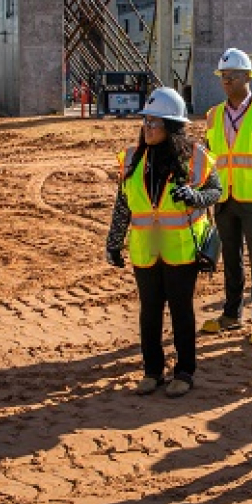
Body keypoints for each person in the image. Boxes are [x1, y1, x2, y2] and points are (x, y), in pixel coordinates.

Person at [106, 87, 222, 397]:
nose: (148, 128)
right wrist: (114, 241)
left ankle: (184, 371)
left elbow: (216, 191)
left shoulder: (195, 157)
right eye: (145, 122)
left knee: (182, 311)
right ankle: (152, 371)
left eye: (155, 123)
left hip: (181, 249)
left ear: (172, 126)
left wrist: (195, 197)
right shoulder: (133, 158)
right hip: (145, 249)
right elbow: (123, 203)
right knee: (150, 310)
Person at [200, 48, 252, 346]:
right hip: (224, 199)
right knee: (231, 260)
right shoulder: (213, 116)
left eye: (232, 76)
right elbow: (209, 159)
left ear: (248, 77)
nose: (226, 81)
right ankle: (232, 314)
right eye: (223, 76)